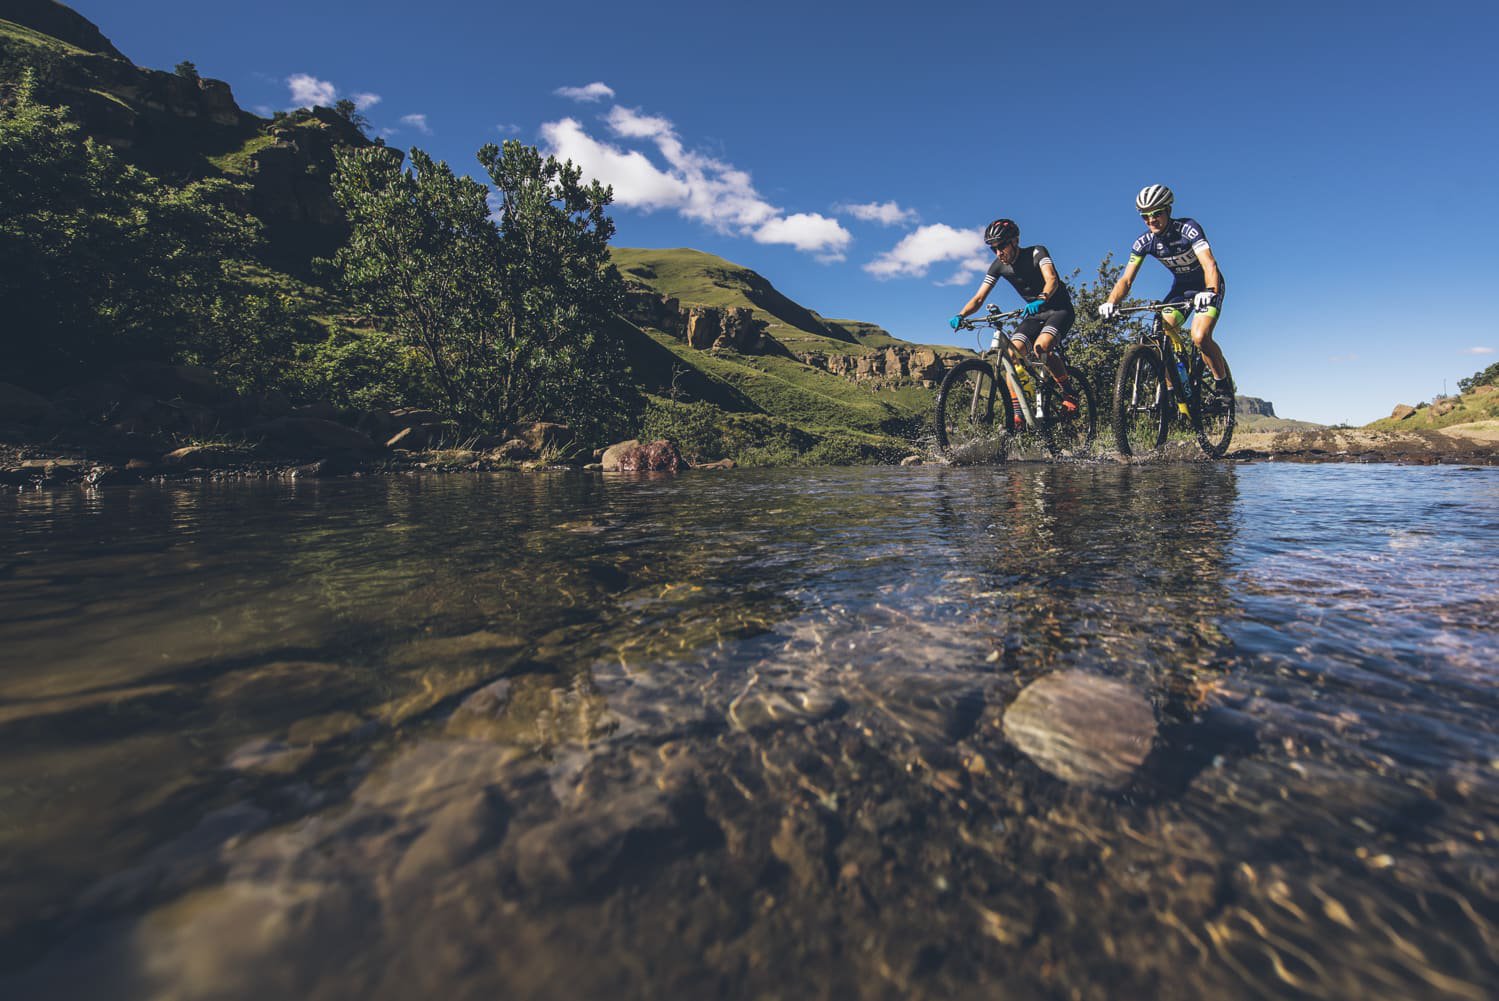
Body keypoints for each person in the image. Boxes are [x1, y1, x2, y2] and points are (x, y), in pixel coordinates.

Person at [1097, 184, 1232, 406]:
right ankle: (1170, 391)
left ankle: (1222, 387)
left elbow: (1209, 264)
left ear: (1168, 210)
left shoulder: (1188, 229)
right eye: (1145, 216)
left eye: (1156, 213)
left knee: (1199, 337)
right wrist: (1111, 302)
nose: (1151, 220)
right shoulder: (1144, 242)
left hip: (1207, 286)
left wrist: (1209, 291)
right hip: (1181, 290)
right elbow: (1126, 279)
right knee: (1159, 336)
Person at [949, 218, 1078, 426]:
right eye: (994, 249)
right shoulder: (998, 266)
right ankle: (1018, 413)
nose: (999, 252)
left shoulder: (1037, 252)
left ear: (1015, 241)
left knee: (1041, 347)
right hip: (1035, 315)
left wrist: (1042, 298)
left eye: (1001, 246)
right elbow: (979, 298)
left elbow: (1051, 279)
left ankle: (1068, 392)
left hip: (1059, 309)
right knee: (1011, 354)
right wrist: (961, 315)